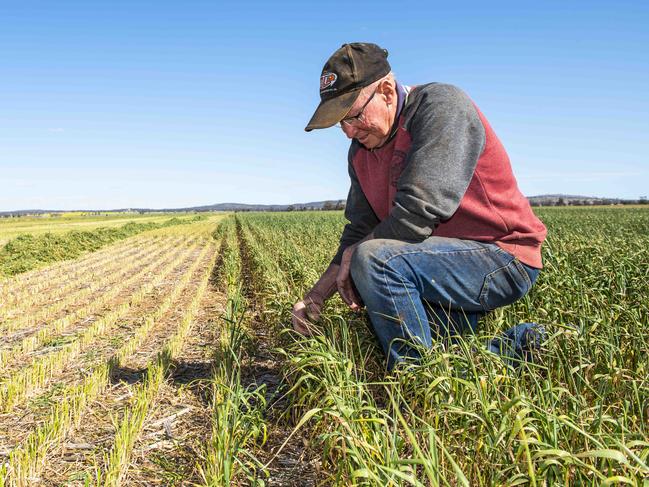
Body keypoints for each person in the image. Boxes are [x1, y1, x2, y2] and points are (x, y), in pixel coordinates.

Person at [292, 42, 548, 370]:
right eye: (341, 123)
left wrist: (356, 257)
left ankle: (416, 381)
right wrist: (316, 296)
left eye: (353, 116)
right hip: (433, 264)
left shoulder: (440, 107)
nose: (348, 132)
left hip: (501, 257)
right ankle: (526, 342)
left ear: (386, 91)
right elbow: (358, 228)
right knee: (451, 359)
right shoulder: (360, 152)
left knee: (374, 260)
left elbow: (417, 212)